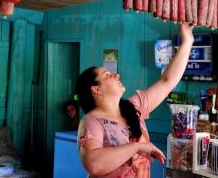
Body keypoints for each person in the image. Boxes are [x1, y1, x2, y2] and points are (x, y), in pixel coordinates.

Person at [75, 23, 194, 177]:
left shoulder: (134, 106)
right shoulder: (91, 121)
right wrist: (137, 147)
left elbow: (167, 81)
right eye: (107, 75)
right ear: (96, 89)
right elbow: (94, 164)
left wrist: (187, 41)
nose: (116, 75)